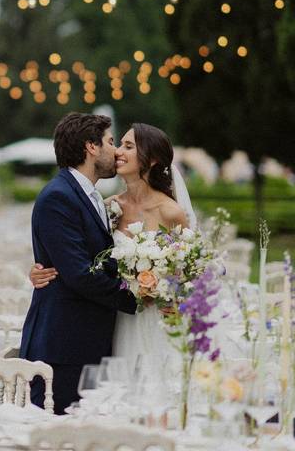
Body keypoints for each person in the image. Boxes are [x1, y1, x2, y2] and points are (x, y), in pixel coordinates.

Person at [29, 122, 196, 377]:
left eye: (127, 146)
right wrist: (41, 268)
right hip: (117, 316)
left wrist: (171, 295)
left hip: (153, 319)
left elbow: (189, 269)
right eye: (115, 143)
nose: (118, 151)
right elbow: (78, 257)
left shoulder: (171, 212)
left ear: (150, 160)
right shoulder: (109, 207)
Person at [19, 112, 137, 414]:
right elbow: (80, 274)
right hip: (64, 347)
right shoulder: (58, 197)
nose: (116, 151)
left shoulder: (92, 196)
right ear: (91, 147)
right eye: (111, 142)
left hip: (88, 341)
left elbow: (103, 261)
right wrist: (138, 300)